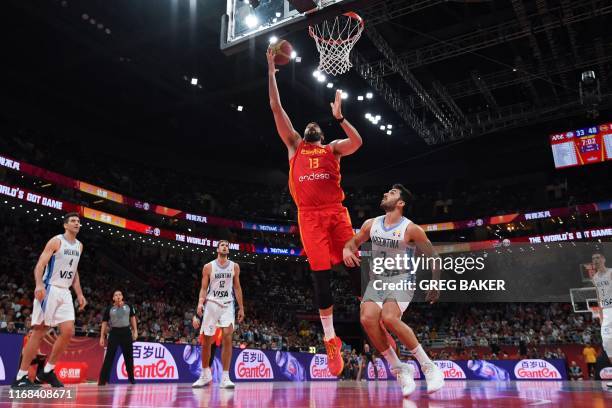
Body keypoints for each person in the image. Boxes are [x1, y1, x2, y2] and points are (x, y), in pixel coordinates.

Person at [267, 47, 363, 377]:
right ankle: (330, 340)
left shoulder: (332, 149)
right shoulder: (294, 145)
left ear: (320, 135)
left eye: (314, 125)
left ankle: (374, 312)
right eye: (307, 125)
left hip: (336, 213)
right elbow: (276, 108)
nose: (308, 125)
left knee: (354, 267)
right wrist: (270, 70)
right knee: (320, 278)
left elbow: (357, 143)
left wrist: (340, 119)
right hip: (308, 216)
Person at [343, 185, 445, 396]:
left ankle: (429, 367)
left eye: (391, 193)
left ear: (401, 203)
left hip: (402, 278)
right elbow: (354, 241)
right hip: (378, 281)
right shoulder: (371, 224)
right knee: (367, 318)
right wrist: (347, 249)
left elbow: (433, 257)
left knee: (389, 317)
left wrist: (436, 283)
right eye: (387, 192)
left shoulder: (411, 229)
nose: (385, 194)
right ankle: (400, 368)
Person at [12, 212, 87, 389]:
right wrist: (39, 284)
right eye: (73, 221)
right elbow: (40, 265)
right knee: (40, 331)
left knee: (68, 331)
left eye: (78, 221)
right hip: (50, 288)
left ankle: (46, 371)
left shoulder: (79, 246)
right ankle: (21, 377)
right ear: (65, 225)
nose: (77, 223)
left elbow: (74, 271)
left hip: (65, 291)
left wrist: (80, 293)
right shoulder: (56, 241)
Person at [192, 240, 244, 388]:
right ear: (217, 249)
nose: (225, 247)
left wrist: (241, 307)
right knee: (207, 341)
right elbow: (203, 288)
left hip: (227, 304)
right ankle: (205, 374)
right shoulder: (208, 267)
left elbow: (237, 287)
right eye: (222, 245)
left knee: (228, 336)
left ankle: (225, 377)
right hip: (211, 304)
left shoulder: (235, 266)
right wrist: (200, 303)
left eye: (227, 245)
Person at [98, 290, 138, 385]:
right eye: (116, 295)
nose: (118, 296)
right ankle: (102, 381)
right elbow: (104, 322)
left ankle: (132, 380)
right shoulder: (109, 308)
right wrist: (102, 337)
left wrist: (135, 331)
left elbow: (132, 318)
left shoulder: (128, 305)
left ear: (122, 296)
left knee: (129, 357)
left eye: (120, 294)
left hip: (126, 332)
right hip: (114, 333)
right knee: (109, 357)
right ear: (113, 298)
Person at [591, 251, 612, 387]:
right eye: (594, 259)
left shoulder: (611, 272)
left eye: (598, 257)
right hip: (606, 311)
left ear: (603, 259)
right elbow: (598, 296)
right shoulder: (595, 278)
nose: (596, 260)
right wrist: (600, 314)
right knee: (607, 343)